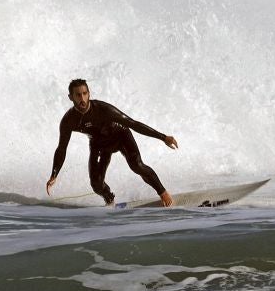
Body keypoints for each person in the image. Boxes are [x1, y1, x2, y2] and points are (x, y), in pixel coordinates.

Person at [46, 78, 178, 207]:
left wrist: (163, 137)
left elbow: (133, 124)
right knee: (96, 184)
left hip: (120, 136)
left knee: (136, 165)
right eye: (78, 95)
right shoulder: (68, 120)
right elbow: (62, 148)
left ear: (89, 94)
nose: (82, 98)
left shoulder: (104, 109)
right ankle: (110, 200)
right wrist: (54, 174)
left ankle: (163, 192)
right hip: (98, 145)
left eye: (85, 94)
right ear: (71, 97)